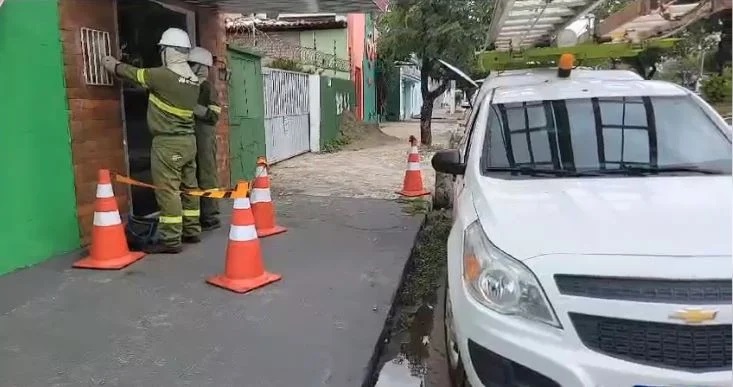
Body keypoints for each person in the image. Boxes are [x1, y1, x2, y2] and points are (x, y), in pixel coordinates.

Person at [101, 27, 201, 254]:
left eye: (163, 50)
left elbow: (135, 74)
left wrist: (113, 65)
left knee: (168, 191)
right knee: (189, 188)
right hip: (188, 141)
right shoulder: (193, 80)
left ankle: (171, 240)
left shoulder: (163, 76)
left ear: (170, 52)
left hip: (167, 143)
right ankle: (192, 231)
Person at [188, 46, 222, 231]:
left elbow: (213, 115)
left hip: (204, 136)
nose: (189, 67)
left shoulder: (207, 88)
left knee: (206, 175)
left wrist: (191, 107)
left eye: (192, 64)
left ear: (201, 66)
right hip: (189, 135)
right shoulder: (187, 85)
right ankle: (195, 217)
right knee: (191, 175)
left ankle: (210, 216)